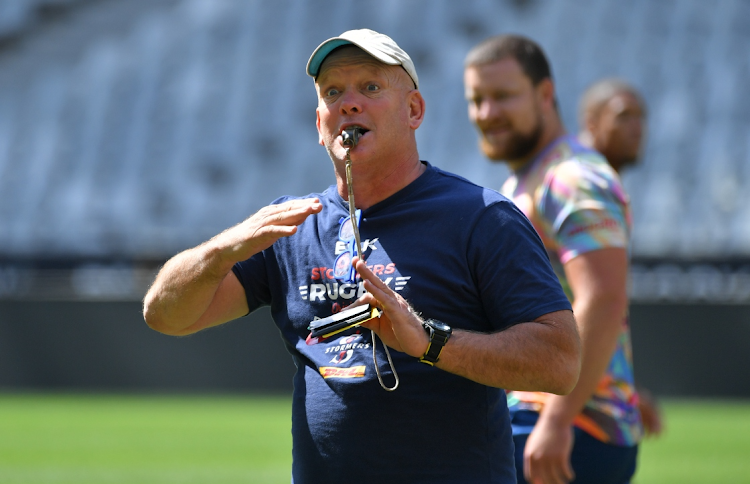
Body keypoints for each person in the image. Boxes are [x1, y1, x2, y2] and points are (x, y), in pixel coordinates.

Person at [143, 29, 581, 484]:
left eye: (370, 87)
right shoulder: (290, 226)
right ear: (319, 124)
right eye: (333, 92)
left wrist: (430, 342)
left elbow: (561, 362)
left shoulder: (481, 216)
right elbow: (165, 316)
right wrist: (219, 251)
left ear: (414, 111)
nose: (349, 103)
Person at [464, 36, 642, 483]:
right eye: (477, 100)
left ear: (545, 94)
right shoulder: (530, 178)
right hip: (545, 415)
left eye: (503, 96)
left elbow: (602, 298)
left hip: (567, 429)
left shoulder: (573, 178)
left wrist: (559, 419)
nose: (487, 113)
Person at [578, 78, 663, 438]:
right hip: (572, 412)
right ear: (592, 122)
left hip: (588, 396)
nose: (637, 127)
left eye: (641, 117)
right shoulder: (583, 187)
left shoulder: (595, 183)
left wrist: (622, 389)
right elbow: (582, 301)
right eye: (624, 116)